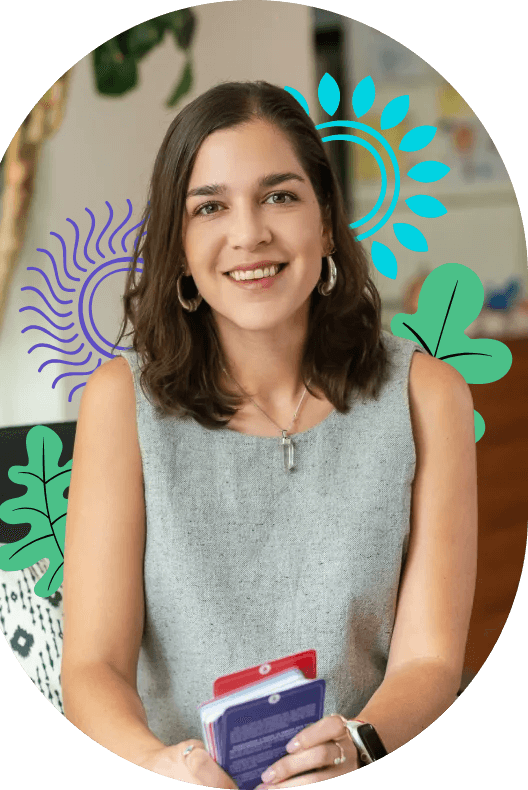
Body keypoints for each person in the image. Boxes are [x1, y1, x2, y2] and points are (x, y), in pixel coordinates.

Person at [61, 80, 477, 788]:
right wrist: (163, 764)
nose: (249, 233)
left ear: (326, 223)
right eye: (210, 207)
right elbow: (93, 668)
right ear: (179, 246)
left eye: (280, 196)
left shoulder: (427, 395)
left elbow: (431, 661)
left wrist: (356, 745)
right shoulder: (119, 402)